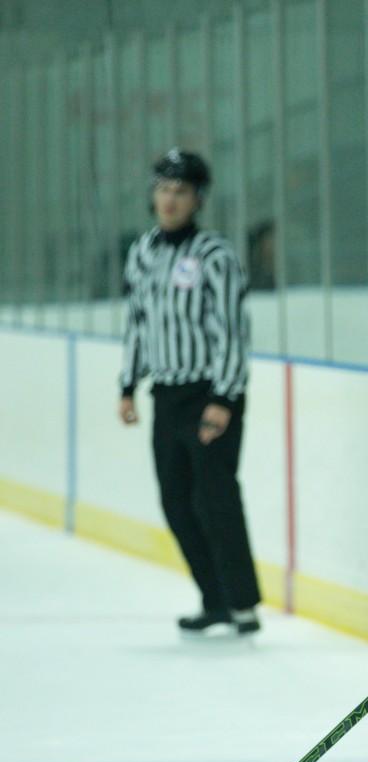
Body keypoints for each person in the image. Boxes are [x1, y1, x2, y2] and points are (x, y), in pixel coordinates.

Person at [118, 148, 262, 637]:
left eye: (179, 191)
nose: (169, 199)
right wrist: (127, 384)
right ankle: (214, 599)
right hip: (167, 394)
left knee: (216, 498)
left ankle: (242, 605)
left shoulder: (214, 256)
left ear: (197, 199)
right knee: (177, 502)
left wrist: (222, 400)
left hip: (209, 393)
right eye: (162, 189)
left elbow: (231, 332)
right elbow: (137, 322)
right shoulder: (142, 252)